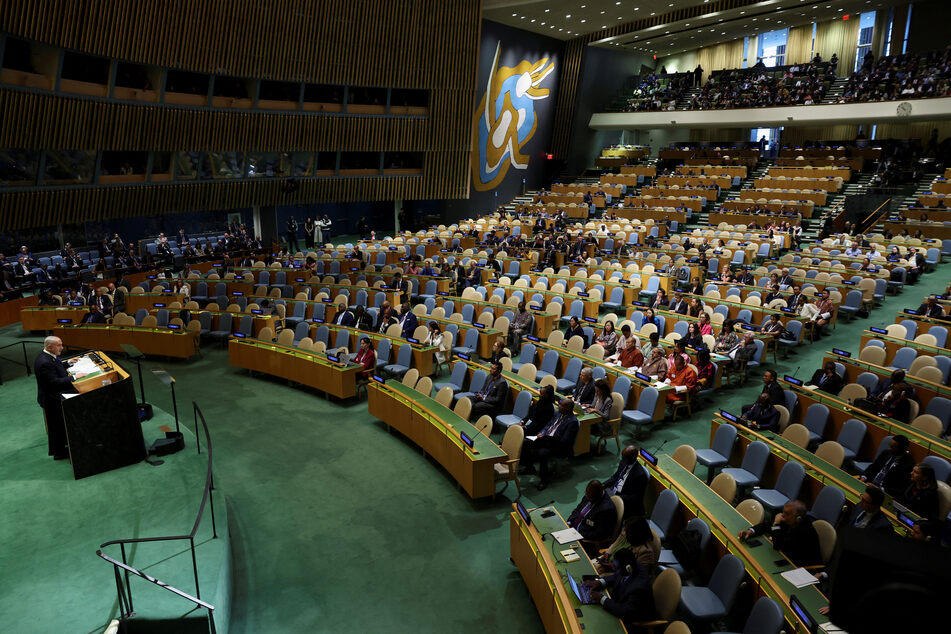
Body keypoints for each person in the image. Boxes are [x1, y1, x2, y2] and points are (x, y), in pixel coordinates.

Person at [34, 336, 87, 460]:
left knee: (58, 425)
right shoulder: (44, 362)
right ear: (49, 347)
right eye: (59, 345)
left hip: (52, 395)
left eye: (61, 344)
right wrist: (74, 377)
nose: (62, 348)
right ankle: (59, 453)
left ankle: (62, 447)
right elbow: (54, 382)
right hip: (52, 398)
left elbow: (55, 367)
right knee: (56, 427)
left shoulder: (48, 356)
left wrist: (68, 363)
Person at [738, 500, 822, 567]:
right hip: (788, 557)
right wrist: (749, 531)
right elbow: (767, 525)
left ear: (798, 518)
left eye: (787, 513)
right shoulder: (790, 519)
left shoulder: (804, 531)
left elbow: (778, 545)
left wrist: (776, 524)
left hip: (802, 567)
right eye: (783, 512)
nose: (782, 515)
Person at [520, 398, 580, 490]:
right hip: (545, 439)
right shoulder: (557, 414)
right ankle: (529, 468)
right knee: (525, 442)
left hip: (558, 446)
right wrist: (542, 433)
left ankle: (544, 479)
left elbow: (564, 441)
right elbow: (548, 426)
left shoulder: (573, 422)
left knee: (542, 453)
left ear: (568, 408)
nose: (558, 406)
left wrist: (546, 438)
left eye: (561, 405)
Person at [583, 548, 655, 623]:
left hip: (633, 620)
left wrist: (601, 598)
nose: (613, 568)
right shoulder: (630, 565)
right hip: (620, 602)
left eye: (616, 567)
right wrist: (599, 582)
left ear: (628, 568)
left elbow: (625, 611)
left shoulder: (638, 588)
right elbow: (617, 576)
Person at [567, 480, 618, 553]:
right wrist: (569, 522)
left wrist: (578, 534)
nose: (588, 498)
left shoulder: (606, 509)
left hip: (587, 541)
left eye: (591, 497)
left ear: (599, 495)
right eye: (587, 494)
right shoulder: (589, 494)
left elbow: (598, 534)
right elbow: (577, 510)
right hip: (573, 530)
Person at [594, 517, 658, 575]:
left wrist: (614, 567)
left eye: (627, 532)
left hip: (619, 576)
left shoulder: (646, 553)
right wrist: (607, 553)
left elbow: (635, 575)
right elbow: (615, 544)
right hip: (608, 564)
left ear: (636, 534)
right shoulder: (626, 534)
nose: (624, 533)